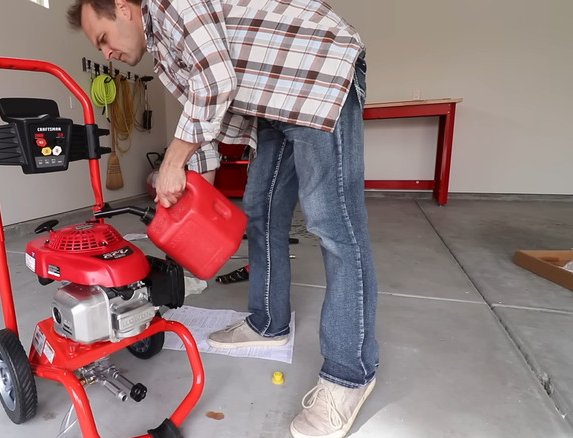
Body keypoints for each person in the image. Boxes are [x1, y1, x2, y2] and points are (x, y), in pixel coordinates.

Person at [67, 1, 378, 437]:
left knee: (333, 224)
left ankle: (351, 373)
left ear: (123, 7)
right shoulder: (163, 50)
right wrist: (198, 200)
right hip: (274, 102)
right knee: (261, 214)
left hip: (318, 74)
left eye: (103, 37)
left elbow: (215, 81)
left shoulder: (172, 4)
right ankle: (268, 323)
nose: (107, 53)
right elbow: (205, 121)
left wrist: (175, 159)